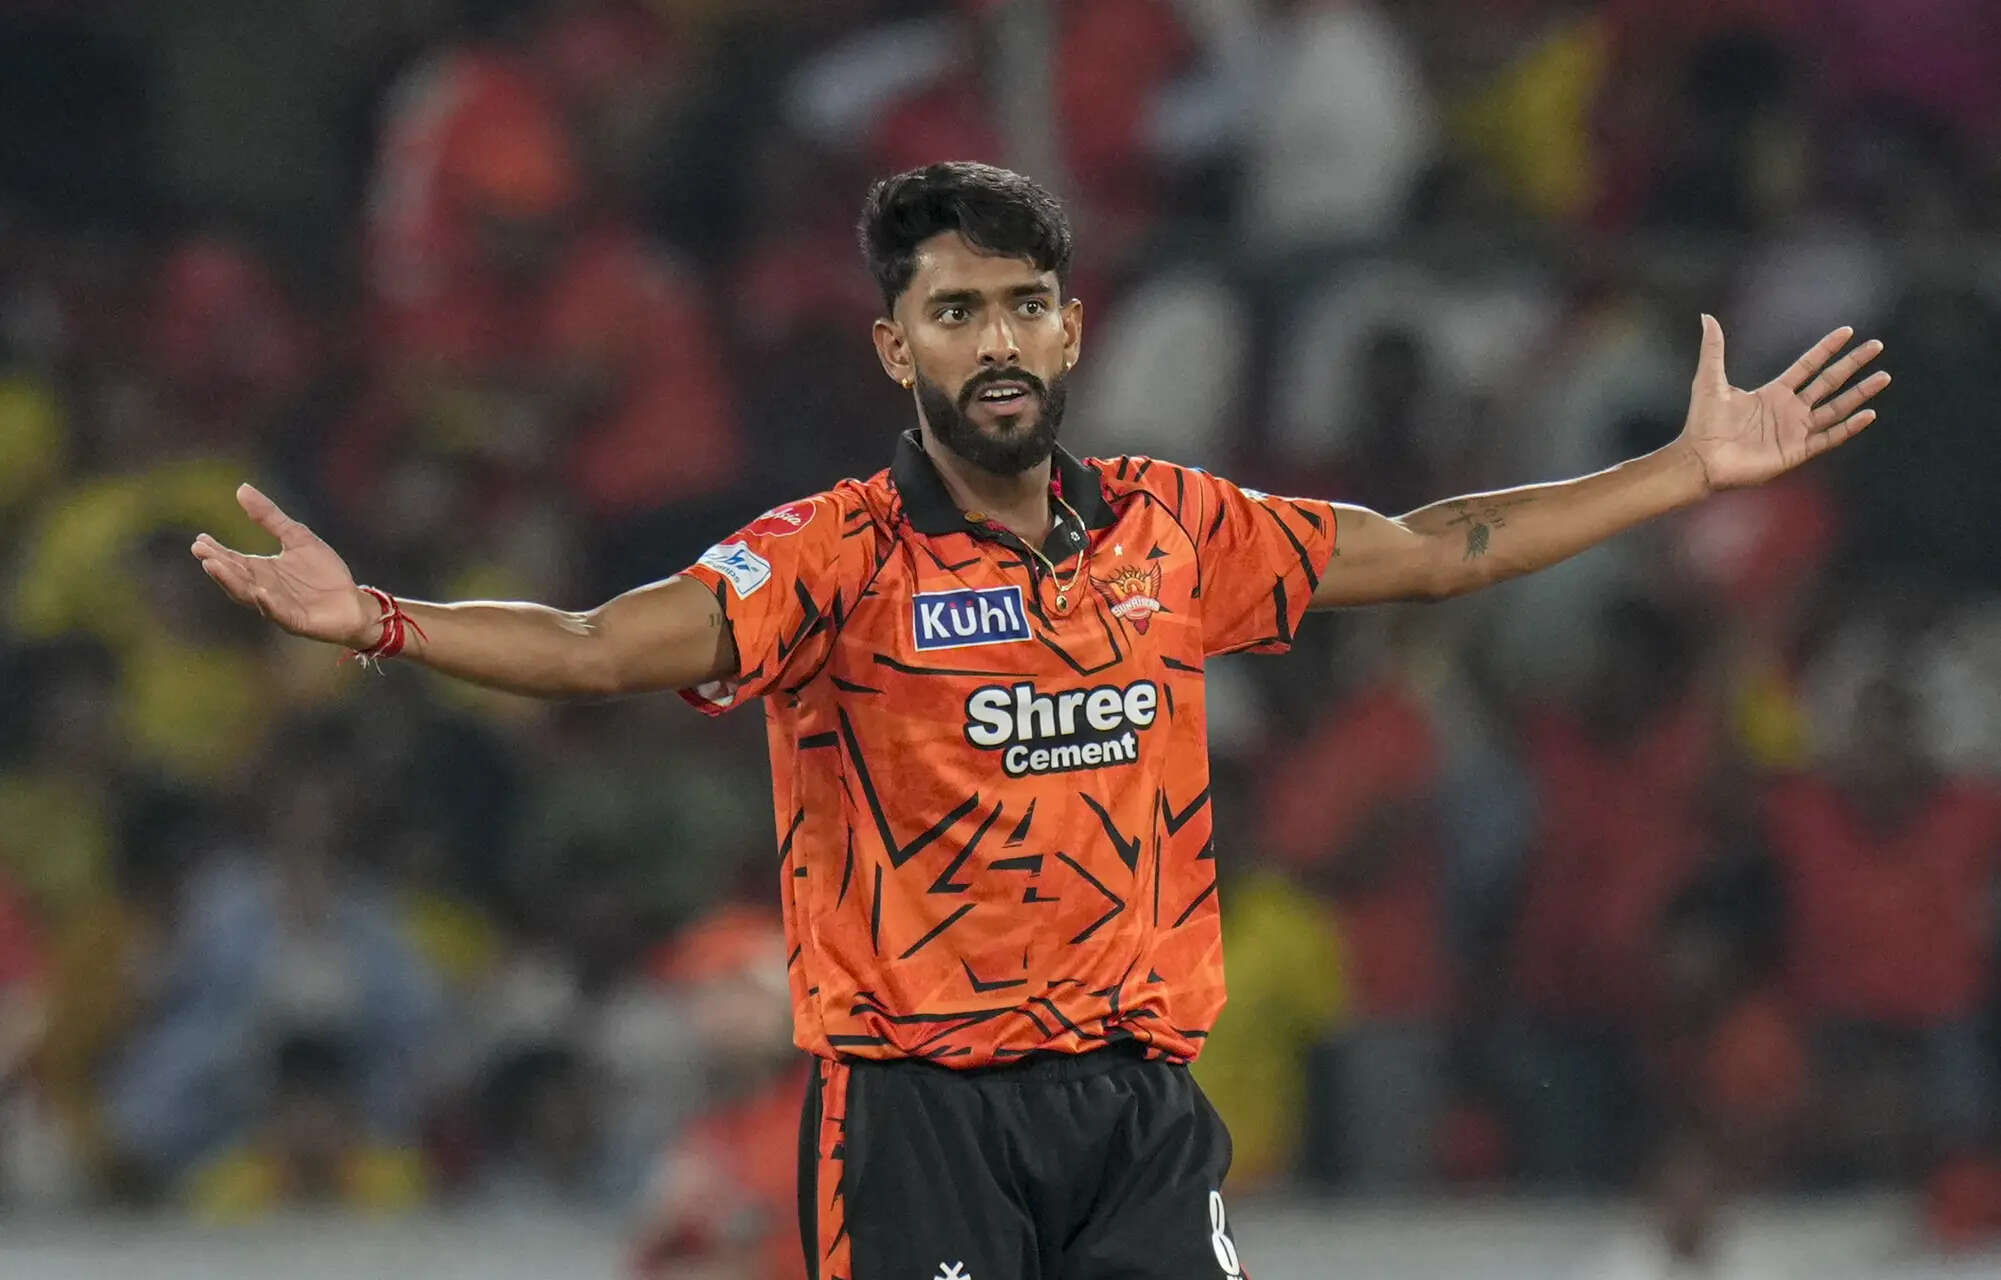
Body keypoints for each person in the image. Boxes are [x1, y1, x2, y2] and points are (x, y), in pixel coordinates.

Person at [190, 161, 1889, 1279]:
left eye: (1020, 306)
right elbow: (591, 646)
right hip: (919, 1109)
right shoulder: (834, 557)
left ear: (1070, 325)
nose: (995, 342)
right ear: (895, 348)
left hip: (1134, 1105)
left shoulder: (1173, 528)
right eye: (954, 313)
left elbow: (1436, 549)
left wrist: (1683, 473)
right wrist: (382, 619)